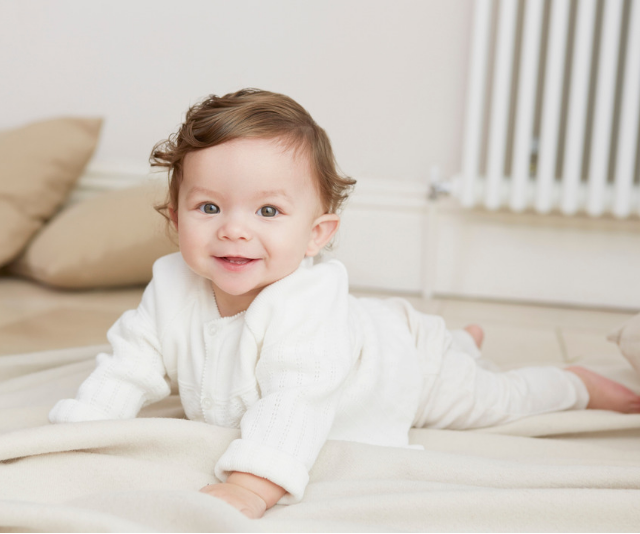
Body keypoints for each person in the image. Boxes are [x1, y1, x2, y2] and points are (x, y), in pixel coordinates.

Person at [49, 88, 640, 519]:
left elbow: (295, 400)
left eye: (268, 211)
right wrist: (84, 429)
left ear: (317, 236)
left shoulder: (304, 304)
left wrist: (252, 485)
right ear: (174, 217)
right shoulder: (171, 283)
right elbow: (129, 362)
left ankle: (575, 382)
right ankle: (461, 339)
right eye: (209, 208)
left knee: (493, 399)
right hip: (369, 330)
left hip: (406, 367)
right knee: (443, 349)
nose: (234, 230)